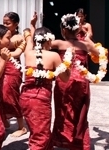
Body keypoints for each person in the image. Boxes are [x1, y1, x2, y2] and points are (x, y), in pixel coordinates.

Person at [19, 13, 71, 150]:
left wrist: (32, 25)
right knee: (40, 137)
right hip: (40, 101)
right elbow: (65, 78)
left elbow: (29, 40)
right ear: (49, 41)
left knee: (37, 132)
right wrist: (68, 63)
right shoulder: (54, 56)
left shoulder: (28, 53)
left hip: (25, 98)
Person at [49, 13, 99, 150]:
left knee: (63, 112)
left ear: (63, 30)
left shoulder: (59, 43)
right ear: (78, 30)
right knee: (79, 113)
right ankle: (79, 141)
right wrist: (88, 38)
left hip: (64, 82)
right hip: (81, 83)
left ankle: (64, 140)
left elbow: (41, 43)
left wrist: (33, 27)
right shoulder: (84, 45)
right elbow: (100, 54)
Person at [2, 12, 27, 137]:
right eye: (4, 23)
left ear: (16, 24)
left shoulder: (19, 37)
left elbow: (16, 53)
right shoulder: (0, 35)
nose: (5, 25)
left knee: (11, 95)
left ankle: (22, 127)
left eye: (8, 23)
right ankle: (4, 121)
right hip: (0, 67)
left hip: (12, 69)